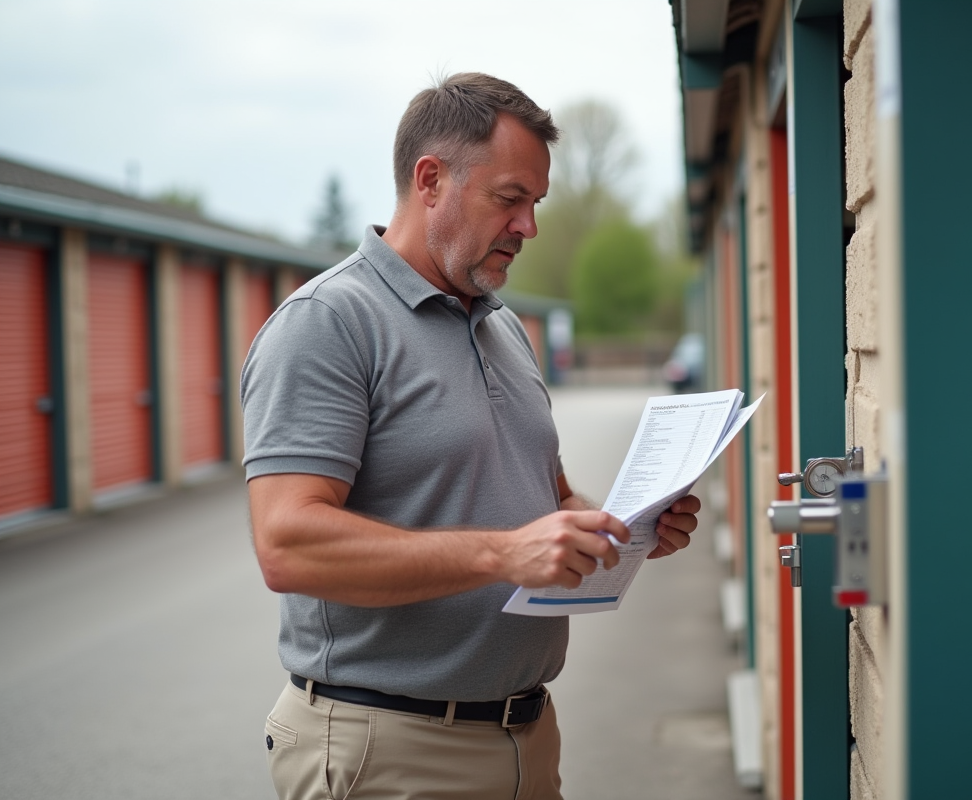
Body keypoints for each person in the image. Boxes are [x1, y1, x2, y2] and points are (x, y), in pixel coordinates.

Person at [241, 72, 702, 800]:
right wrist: (504, 552)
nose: (529, 227)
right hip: (387, 750)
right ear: (430, 181)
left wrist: (624, 527)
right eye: (509, 198)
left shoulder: (503, 329)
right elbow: (287, 543)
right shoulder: (328, 324)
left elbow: (545, 498)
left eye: (535, 204)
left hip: (526, 737)